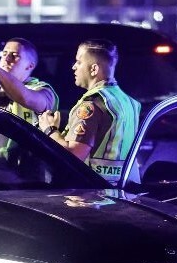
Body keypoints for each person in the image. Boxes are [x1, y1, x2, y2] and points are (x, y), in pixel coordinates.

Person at [38, 39, 140, 182]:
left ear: (94, 69)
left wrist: (49, 129)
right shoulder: (128, 102)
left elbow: (73, 155)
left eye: (79, 62)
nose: (74, 67)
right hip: (120, 191)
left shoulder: (91, 105)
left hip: (90, 194)